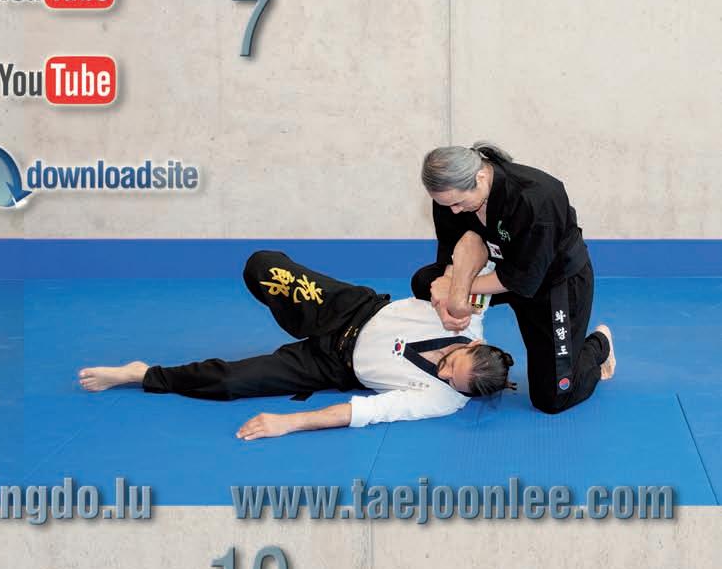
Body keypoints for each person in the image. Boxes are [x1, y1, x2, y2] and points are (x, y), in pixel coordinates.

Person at [79, 248, 516, 436]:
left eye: (452, 381)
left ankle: (142, 373)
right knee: (263, 266)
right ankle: (296, 312)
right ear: (472, 345)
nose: (444, 373)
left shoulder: (441, 400)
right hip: (349, 309)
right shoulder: (469, 315)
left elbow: (363, 412)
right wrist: (450, 283)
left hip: (329, 365)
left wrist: (288, 423)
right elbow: (477, 255)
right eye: (452, 363)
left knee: (231, 382)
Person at [415, 141, 613, 413]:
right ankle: (456, 353)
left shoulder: (537, 197)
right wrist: (446, 295)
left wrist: (457, 290)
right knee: (424, 282)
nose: (454, 211)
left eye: (458, 203)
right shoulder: (450, 196)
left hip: (552, 284)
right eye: (445, 204)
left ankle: (599, 345)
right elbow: (452, 250)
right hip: (498, 270)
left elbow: (522, 280)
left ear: (480, 177)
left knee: (552, 398)